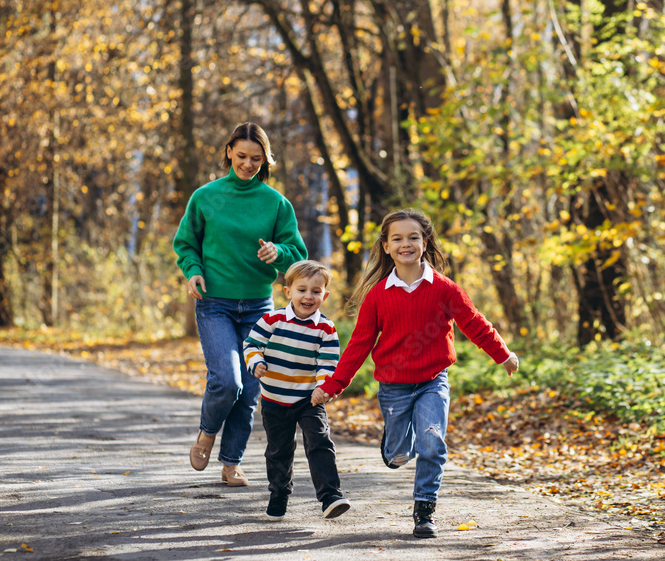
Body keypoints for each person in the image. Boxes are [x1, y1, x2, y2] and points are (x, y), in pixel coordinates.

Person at [311, 208, 520, 538]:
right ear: (386, 246)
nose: (405, 244)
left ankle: (424, 510)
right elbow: (359, 345)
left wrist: (503, 355)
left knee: (432, 442)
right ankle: (393, 446)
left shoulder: (445, 289)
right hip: (393, 387)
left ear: (425, 242)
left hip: (433, 381)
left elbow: (475, 324)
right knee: (398, 454)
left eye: (413, 237)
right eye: (397, 238)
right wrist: (334, 384)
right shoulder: (378, 295)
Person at [173, 122, 307, 487]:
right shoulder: (205, 197)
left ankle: (231, 462)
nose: (248, 164)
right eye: (242, 156)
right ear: (229, 150)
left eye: (256, 158)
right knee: (227, 381)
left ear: (266, 159)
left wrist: (277, 252)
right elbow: (186, 243)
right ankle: (206, 432)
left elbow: (298, 255)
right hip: (214, 303)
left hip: (259, 307)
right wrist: (193, 271)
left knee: (250, 387)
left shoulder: (276, 203)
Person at [243, 260, 351, 520]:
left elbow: (328, 363)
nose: (308, 296)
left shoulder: (326, 329)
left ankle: (330, 496)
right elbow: (251, 344)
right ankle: (279, 492)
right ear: (288, 291)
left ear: (325, 295)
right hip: (274, 399)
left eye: (316, 291)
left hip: (308, 399)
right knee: (279, 450)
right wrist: (256, 362)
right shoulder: (272, 319)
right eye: (302, 289)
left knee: (319, 443)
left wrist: (323, 388)